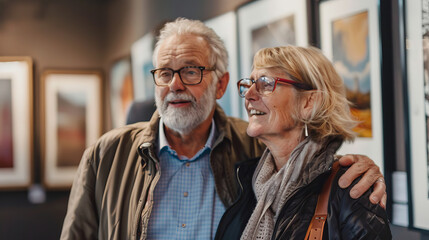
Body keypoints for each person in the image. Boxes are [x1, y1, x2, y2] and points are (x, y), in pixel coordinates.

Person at [60, 18, 387, 240]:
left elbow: (314, 165)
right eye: (164, 72)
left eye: (190, 71)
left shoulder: (253, 150)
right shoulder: (106, 155)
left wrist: (362, 167)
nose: (175, 84)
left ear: (221, 84)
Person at [215, 46, 391, 239]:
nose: (249, 94)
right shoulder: (246, 183)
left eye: (265, 83)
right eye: (250, 83)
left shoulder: (352, 188)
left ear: (309, 102)